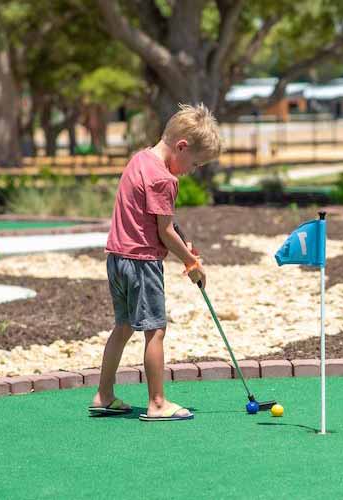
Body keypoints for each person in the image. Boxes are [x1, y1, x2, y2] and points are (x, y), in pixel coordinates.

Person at [89, 103, 223, 422]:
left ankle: (104, 394)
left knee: (122, 327)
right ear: (182, 146)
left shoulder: (139, 160)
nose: (191, 170)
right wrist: (192, 262)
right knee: (155, 331)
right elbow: (163, 232)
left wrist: (182, 239)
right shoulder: (164, 178)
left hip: (117, 259)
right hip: (142, 263)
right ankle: (157, 402)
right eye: (194, 162)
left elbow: (155, 220)